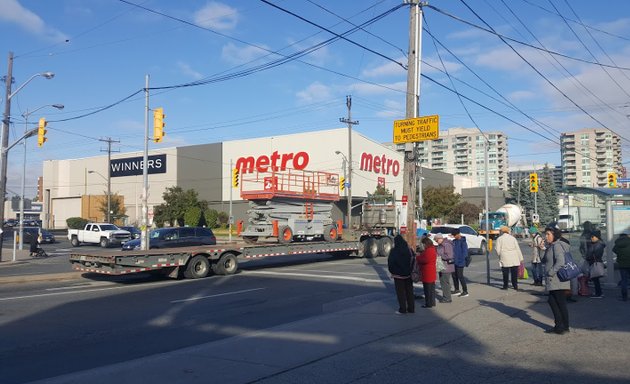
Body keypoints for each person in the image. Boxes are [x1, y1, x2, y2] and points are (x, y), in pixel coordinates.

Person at [543, 226, 571, 334]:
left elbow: (560, 261)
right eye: (545, 234)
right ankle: (562, 326)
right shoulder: (551, 246)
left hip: (556, 279)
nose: (546, 236)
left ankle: (561, 326)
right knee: (556, 302)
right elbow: (544, 260)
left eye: (548, 234)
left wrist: (551, 272)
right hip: (554, 280)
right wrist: (543, 249)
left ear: (554, 235)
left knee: (558, 302)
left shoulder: (557, 246)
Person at [387, 234, 415, 314]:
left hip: (398, 275)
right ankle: (411, 308)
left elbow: (391, 262)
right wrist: (411, 269)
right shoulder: (409, 250)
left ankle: (403, 309)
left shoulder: (394, 251)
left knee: (400, 293)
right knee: (409, 291)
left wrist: (392, 271)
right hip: (408, 273)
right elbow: (413, 259)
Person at [495, 225, 524, 290]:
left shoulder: (499, 239)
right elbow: (517, 248)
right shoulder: (513, 238)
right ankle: (515, 286)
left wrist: (500, 255)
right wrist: (520, 258)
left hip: (505, 256)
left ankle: (505, 286)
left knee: (505, 273)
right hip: (514, 256)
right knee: (514, 273)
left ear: (502, 232)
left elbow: (497, 249)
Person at [416, 237, 437, 308]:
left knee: (427, 290)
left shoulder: (429, 250)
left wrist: (418, 258)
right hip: (431, 271)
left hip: (427, 272)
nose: (423, 245)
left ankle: (428, 303)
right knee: (431, 289)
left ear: (426, 243)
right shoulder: (432, 249)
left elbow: (425, 260)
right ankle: (432, 302)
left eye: (423, 244)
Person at [586, 230, 606, 298]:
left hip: (595, 263)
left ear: (597, 237)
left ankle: (599, 293)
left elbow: (594, 254)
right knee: (596, 279)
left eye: (592, 236)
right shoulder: (598, 244)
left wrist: (588, 256)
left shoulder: (598, 245)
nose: (591, 238)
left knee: (595, 279)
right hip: (596, 262)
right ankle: (598, 292)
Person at [435, 233, 454, 303]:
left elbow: (449, 255)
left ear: (440, 238)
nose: (436, 241)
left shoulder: (446, 244)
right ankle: (446, 297)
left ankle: (447, 298)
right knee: (443, 282)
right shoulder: (441, 245)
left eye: (436, 240)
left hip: (446, 266)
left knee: (445, 282)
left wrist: (440, 256)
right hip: (442, 266)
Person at [451, 229, 469, 297]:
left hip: (460, 262)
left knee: (460, 276)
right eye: (453, 235)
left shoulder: (463, 242)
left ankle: (465, 291)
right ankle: (457, 289)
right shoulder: (454, 241)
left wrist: (460, 261)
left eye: (455, 235)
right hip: (454, 261)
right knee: (454, 276)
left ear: (458, 234)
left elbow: (465, 253)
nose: (454, 236)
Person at [612, 233, 630, 301]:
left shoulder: (618, 243)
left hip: (622, 264)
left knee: (624, 280)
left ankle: (624, 297)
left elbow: (614, 250)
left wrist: (620, 254)